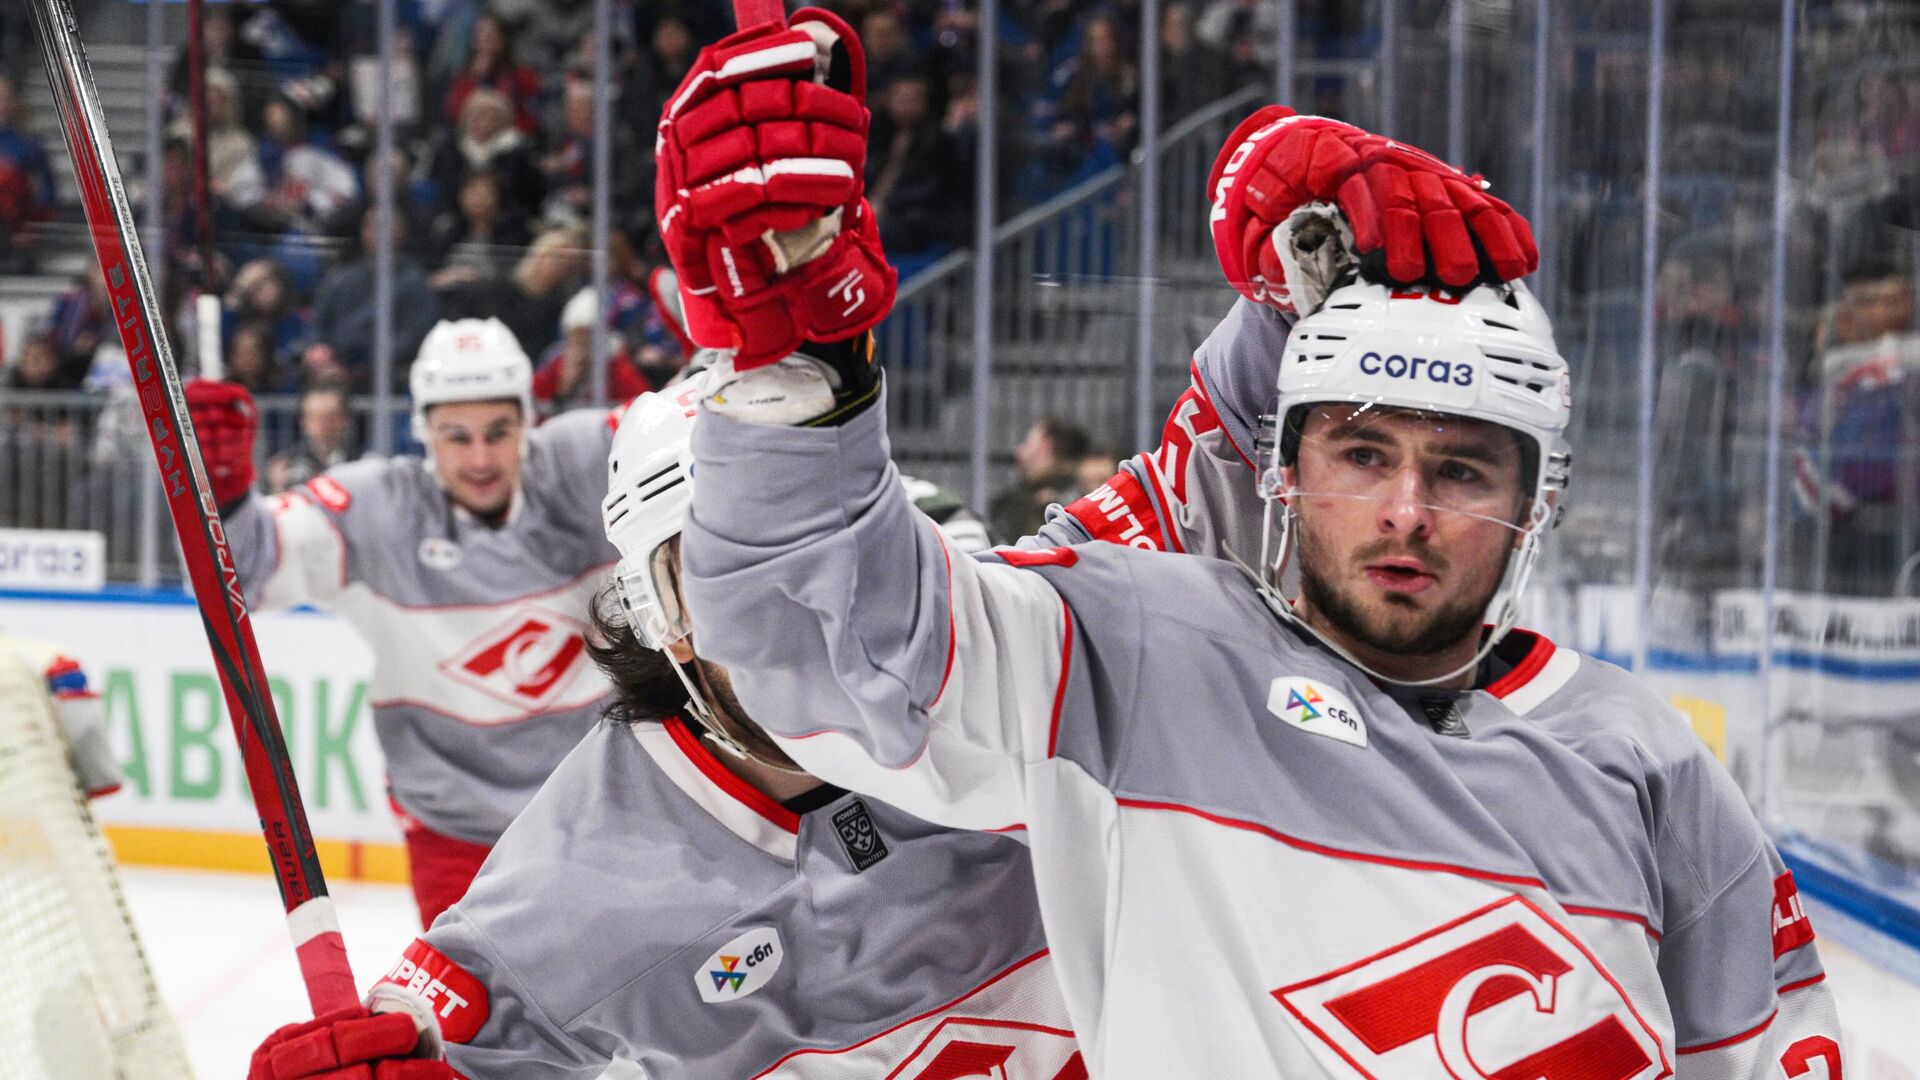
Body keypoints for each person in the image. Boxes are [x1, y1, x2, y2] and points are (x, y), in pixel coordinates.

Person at [663, 15, 1842, 1078]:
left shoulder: (1644, 758)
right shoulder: (1137, 657)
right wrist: (793, 375)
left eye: (1463, 470)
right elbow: (841, 653)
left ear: (1539, 501)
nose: (1407, 511)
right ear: (1282, 471)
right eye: (1364, 454)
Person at [247, 373, 1065, 1079]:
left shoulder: (1026, 683)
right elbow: (446, 1032)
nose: (792, 627)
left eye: (825, 561)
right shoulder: (580, 879)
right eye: (721, 586)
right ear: (656, 613)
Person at [185, 317, 622, 927]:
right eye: (456, 436)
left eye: (498, 432)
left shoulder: (584, 463)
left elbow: (696, 431)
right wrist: (223, 494)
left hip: (606, 818)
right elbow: (243, 574)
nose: (480, 457)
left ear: (529, 421)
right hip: (455, 837)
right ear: (423, 431)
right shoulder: (378, 510)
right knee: (481, 996)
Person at [989, 416, 1091, 542]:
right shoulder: (1081, 494)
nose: (1018, 451)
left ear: (1046, 445)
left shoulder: (1035, 500)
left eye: (1027, 443)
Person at [265, 383, 357, 493]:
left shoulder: (360, 463)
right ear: (303, 422)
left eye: (330, 417)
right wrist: (278, 487)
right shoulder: (286, 464)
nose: (323, 425)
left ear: (345, 420)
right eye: (315, 417)